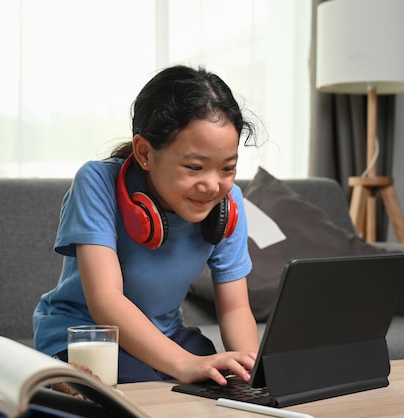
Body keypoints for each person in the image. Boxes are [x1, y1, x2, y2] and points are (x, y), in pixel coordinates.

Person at [33, 65, 260, 385]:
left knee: (223, 382)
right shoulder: (97, 182)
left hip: (167, 338)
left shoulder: (228, 202)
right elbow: (105, 300)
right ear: (144, 153)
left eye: (227, 168)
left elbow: (235, 308)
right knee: (143, 394)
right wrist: (183, 365)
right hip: (90, 340)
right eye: (195, 167)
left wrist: (255, 373)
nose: (212, 185)